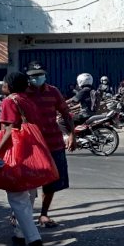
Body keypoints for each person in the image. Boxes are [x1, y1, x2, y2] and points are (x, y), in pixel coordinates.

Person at [0, 72, 47, 246]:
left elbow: (9, 132)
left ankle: (34, 243)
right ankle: (21, 234)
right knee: (28, 196)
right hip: (30, 154)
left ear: (9, 85)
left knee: (17, 200)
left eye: (4, 83)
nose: (3, 85)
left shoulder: (9, 102)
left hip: (16, 154)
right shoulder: (27, 100)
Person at [25, 61, 76, 228]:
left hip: (53, 142)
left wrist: (71, 135)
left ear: (45, 75)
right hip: (30, 144)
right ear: (28, 76)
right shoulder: (22, 93)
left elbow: (66, 113)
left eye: (40, 75)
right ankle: (21, 214)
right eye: (33, 76)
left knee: (52, 181)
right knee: (27, 181)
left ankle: (43, 214)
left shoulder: (53, 91)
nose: (37, 78)